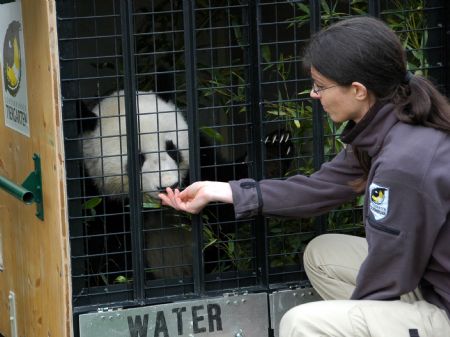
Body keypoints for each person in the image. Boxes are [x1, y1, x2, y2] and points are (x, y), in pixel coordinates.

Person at [159, 16, 450, 337]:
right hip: (433, 280)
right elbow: (322, 188)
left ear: (357, 90)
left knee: (301, 323)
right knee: (323, 254)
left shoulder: (402, 163)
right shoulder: (396, 122)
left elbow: (387, 271)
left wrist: (351, 322)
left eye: (320, 86)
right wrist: (224, 191)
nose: (313, 94)